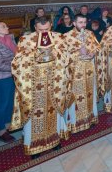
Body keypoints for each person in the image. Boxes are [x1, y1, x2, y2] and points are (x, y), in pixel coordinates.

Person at [10, 16, 70, 158]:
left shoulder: (58, 37)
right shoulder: (26, 40)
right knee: (34, 114)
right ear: (35, 28)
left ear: (51, 27)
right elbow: (17, 62)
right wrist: (37, 54)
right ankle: (34, 145)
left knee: (53, 110)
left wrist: (53, 53)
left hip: (54, 84)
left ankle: (54, 140)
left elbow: (66, 57)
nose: (44, 32)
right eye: (41, 29)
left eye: (47, 29)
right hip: (34, 85)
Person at [58, 14, 100, 133]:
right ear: (74, 23)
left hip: (89, 70)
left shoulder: (89, 33)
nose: (83, 25)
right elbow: (63, 56)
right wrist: (78, 53)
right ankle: (76, 123)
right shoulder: (67, 37)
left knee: (89, 94)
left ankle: (90, 118)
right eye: (80, 22)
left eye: (84, 22)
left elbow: (97, 47)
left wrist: (92, 53)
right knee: (77, 97)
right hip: (75, 72)